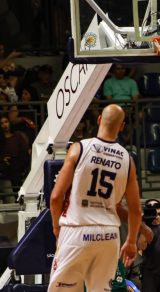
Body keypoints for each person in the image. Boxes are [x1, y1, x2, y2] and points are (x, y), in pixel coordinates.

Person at [48, 104, 142, 291]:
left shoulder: (79, 148)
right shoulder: (127, 159)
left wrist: (57, 227)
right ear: (121, 126)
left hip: (77, 229)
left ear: (99, 119)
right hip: (109, 234)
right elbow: (135, 209)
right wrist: (131, 241)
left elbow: (56, 196)